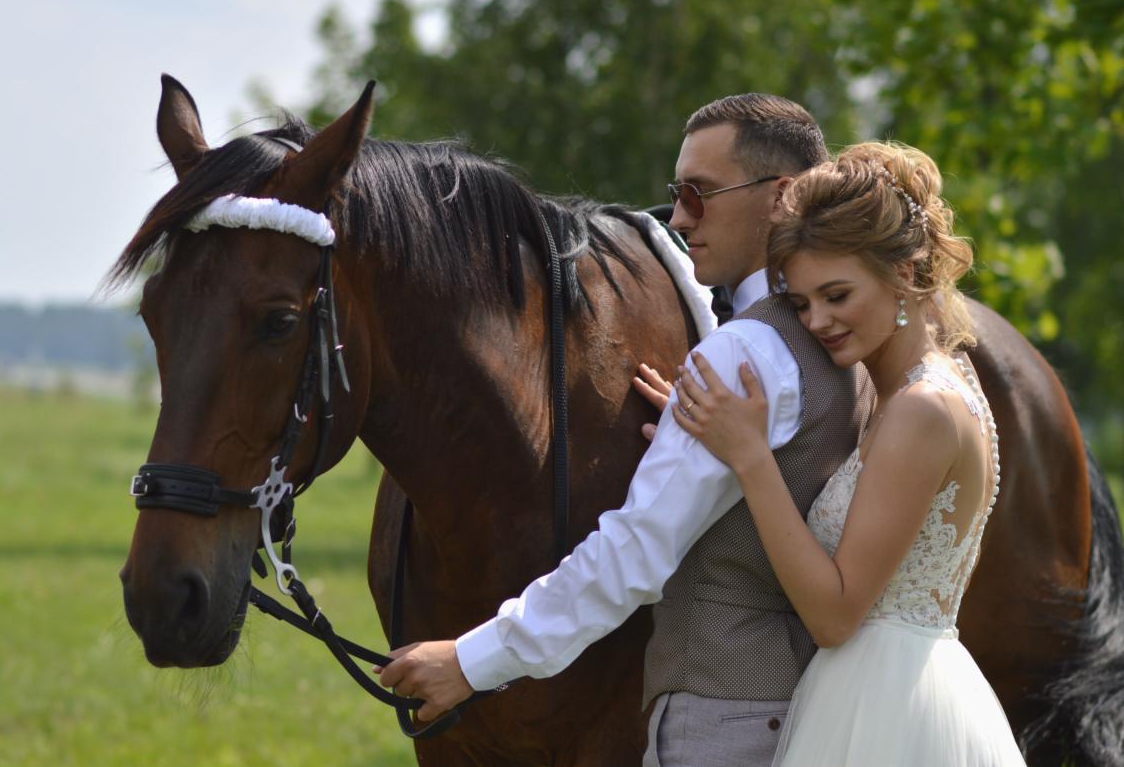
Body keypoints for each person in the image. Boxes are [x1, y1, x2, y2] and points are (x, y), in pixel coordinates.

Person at [379, 92, 874, 766]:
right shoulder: (844, 341)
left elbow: (631, 555)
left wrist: (470, 659)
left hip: (719, 727)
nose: (677, 218)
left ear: (781, 197)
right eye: (677, 194)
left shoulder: (740, 358)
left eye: (699, 195)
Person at [672, 142, 1025, 764]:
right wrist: (695, 434)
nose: (818, 322)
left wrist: (750, 457)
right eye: (803, 302)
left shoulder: (922, 411)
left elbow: (834, 616)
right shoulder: (923, 387)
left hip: (887, 712)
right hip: (878, 689)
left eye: (837, 295)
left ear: (907, 275)